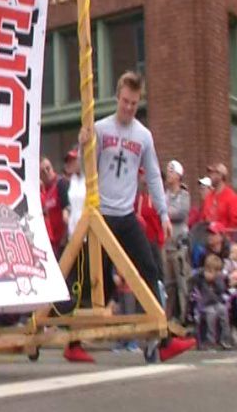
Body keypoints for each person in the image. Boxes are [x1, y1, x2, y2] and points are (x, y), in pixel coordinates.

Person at [65, 72, 195, 363]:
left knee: (149, 270)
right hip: (102, 215)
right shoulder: (100, 128)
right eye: (125, 101)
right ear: (117, 98)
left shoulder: (143, 136)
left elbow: (153, 175)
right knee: (94, 282)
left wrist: (162, 213)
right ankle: (72, 342)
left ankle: (160, 340)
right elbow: (87, 173)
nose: (128, 108)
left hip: (126, 215)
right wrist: (84, 143)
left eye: (134, 103)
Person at [163, 160, 191, 323]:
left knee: (182, 284)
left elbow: (181, 213)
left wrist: (164, 212)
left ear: (179, 175)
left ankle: (184, 317)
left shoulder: (184, 195)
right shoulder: (164, 195)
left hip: (180, 246)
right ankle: (169, 318)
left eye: (172, 171)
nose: (169, 174)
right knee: (169, 284)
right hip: (167, 245)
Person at [190, 253, 231, 349]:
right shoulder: (200, 278)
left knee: (223, 311)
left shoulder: (218, 279)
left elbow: (222, 289)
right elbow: (192, 279)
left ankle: (225, 339)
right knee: (211, 314)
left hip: (216, 302)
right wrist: (203, 274)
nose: (213, 274)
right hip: (204, 304)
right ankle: (210, 340)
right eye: (210, 271)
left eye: (217, 272)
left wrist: (216, 280)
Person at [41, 156, 70, 257]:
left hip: (64, 242)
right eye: (42, 172)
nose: (46, 172)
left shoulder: (61, 184)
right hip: (52, 243)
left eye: (48, 168)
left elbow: (68, 211)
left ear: (52, 167)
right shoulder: (43, 191)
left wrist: (64, 239)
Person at [201, 163, 237, 231]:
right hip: (208, 237)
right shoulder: (208, 197)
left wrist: (225, 236)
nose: (210, 176)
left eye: (213, 173)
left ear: (220, 176)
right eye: (210, 173)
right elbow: (204, 218)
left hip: (224, 238)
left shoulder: (231, 197)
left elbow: (235, 223)